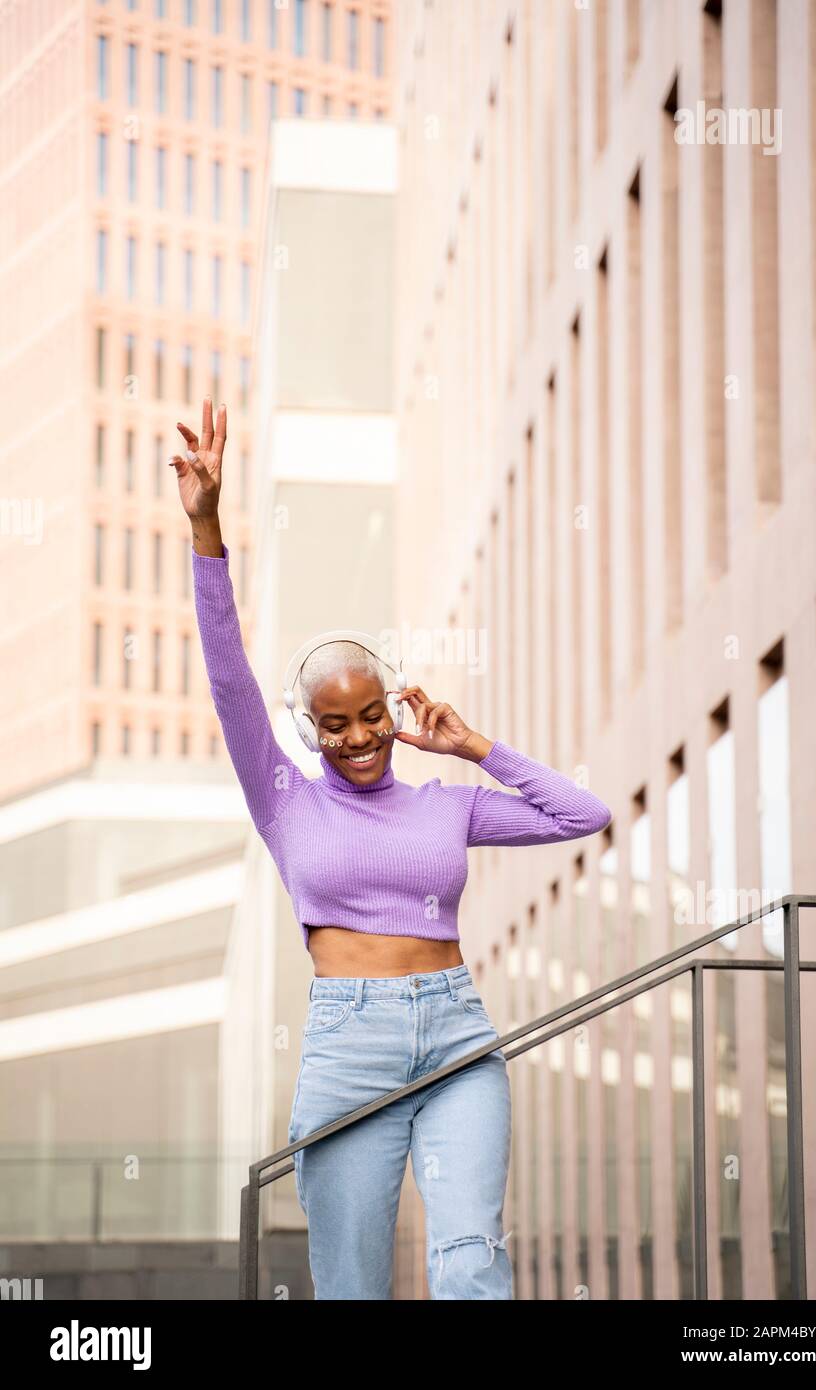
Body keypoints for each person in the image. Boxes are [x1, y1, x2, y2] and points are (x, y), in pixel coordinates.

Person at [172, 398, 612, 1300]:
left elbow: (583, 814)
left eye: (373, 714)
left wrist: (476, 749)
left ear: (393, 707)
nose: (361, 736)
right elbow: (227, 675)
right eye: (336, 724)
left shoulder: (444, 805)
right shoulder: (284, 800)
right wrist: (208, 524)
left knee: (471, 1264)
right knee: (352, 1283)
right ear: (311, 729)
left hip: (456, 1035)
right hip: (347, 1044)